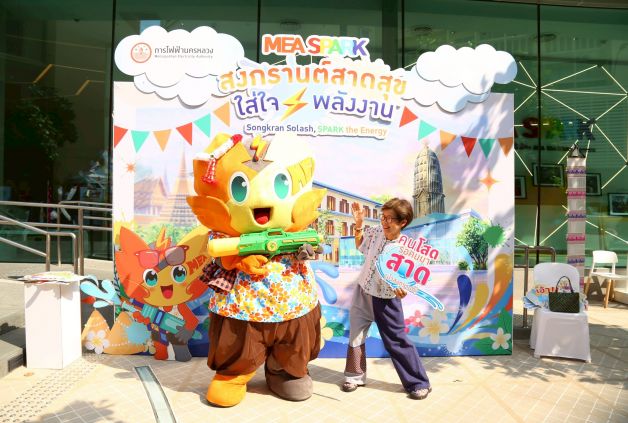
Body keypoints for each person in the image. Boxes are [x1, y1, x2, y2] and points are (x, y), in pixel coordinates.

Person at [342, 198, 432, 400]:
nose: (384, 222)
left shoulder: (406, 248)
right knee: (356, 335)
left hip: (385, 299)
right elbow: (361, 246)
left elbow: (407, 277)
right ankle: (355, 376)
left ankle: (419, 382)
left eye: (390, 219)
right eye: (383, 217)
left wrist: (402, 286)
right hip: (363, 290)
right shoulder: (376, 232)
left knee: (396, 341)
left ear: (403, 222)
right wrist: (358, 225)